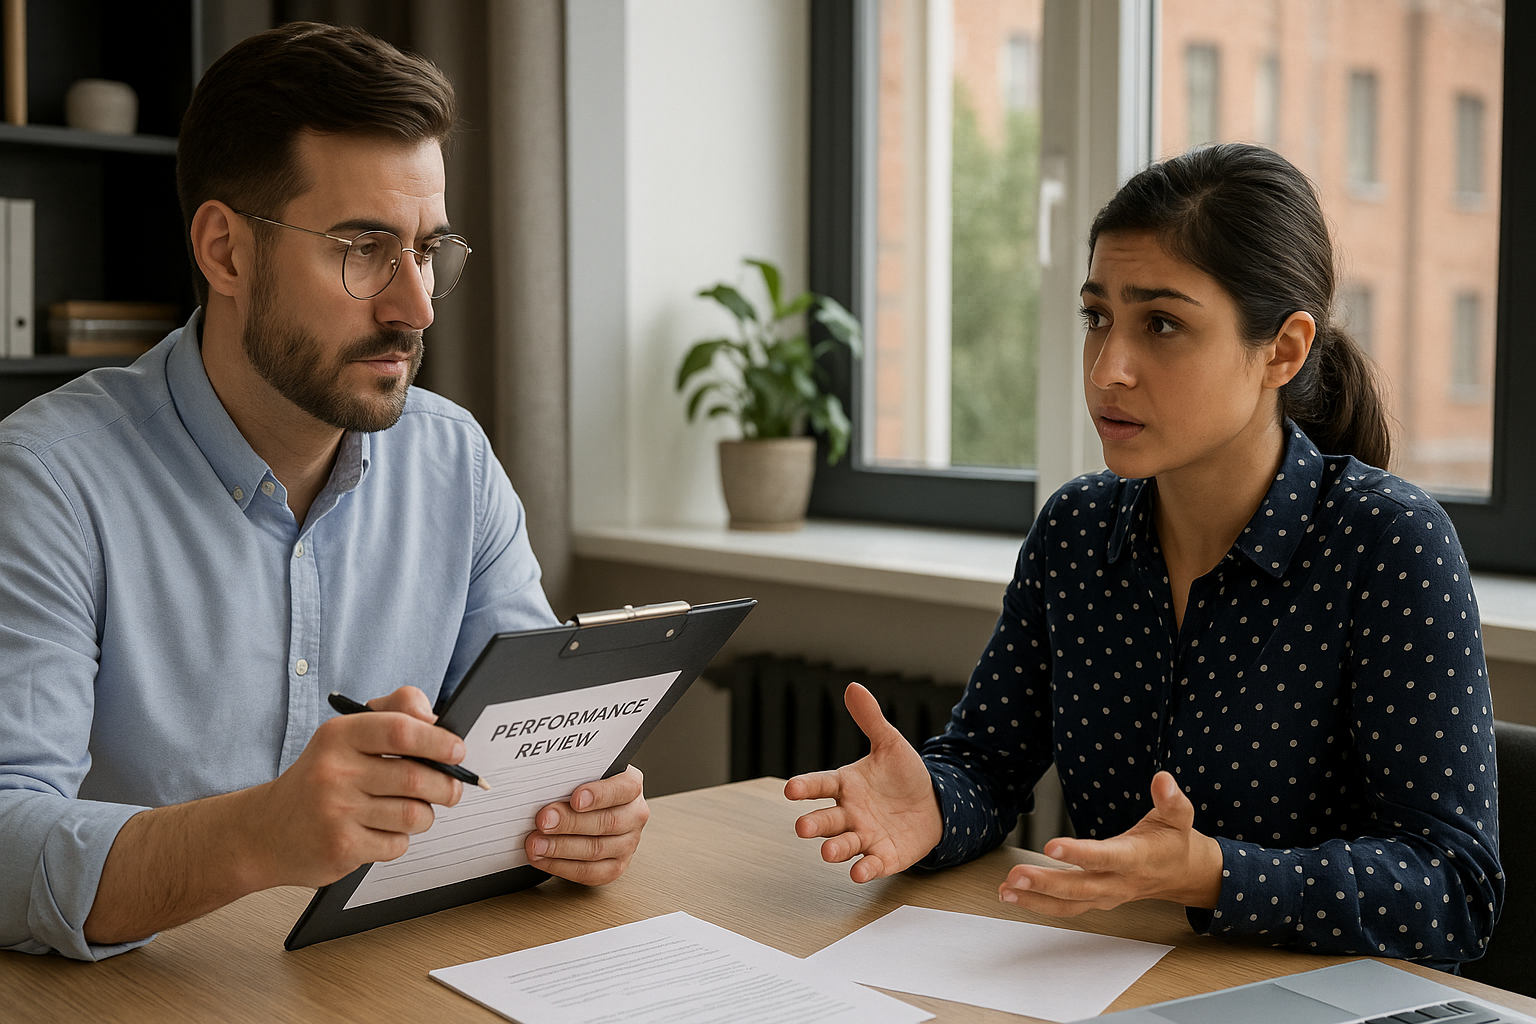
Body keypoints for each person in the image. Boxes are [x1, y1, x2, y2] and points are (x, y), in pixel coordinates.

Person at [0, 23, 648, 961]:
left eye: (427, 249)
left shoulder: (453, 460)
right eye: (362, 248)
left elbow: (522, 747)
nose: (415, 306)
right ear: (225, 252)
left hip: (375, 982)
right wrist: (262, 834)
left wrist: (579, 811)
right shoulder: (48, 481)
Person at [787, 142, 1502, 968]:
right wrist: (936, 806)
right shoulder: (1077, 531)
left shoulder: (1391, 543)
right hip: (1109, 983)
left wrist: (1216, 875)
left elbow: (1453, 891)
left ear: (1283, 350)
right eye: (1098, 317)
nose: (1108, 369)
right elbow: (987, 762)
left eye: (1161, 324)